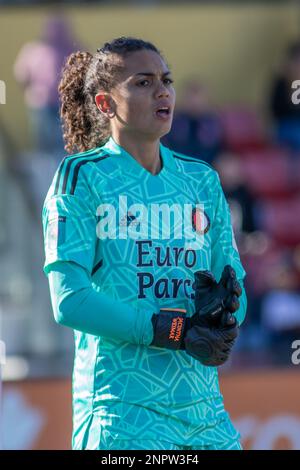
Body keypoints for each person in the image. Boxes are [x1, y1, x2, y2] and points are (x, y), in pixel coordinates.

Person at [42, 37, 247, 451]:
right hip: (122, 418)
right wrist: (167, 329)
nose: (163, 91)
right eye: (143, 82)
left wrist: (223, 316)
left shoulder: (201, 180)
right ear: (104, 103)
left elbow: (236, 286)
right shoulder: (81, 178)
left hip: (208, 419)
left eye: (167, 80)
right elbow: (69, 300)